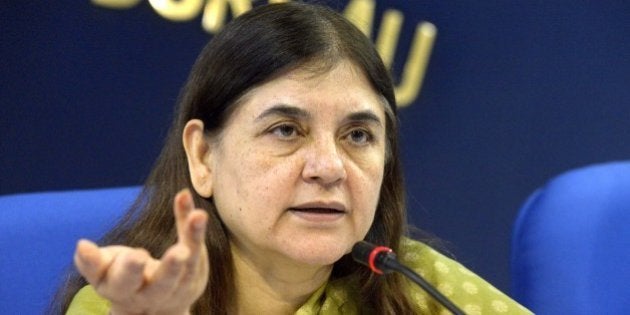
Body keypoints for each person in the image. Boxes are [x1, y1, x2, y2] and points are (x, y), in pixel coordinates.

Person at [53, 2, 532, 314]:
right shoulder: (129, 305)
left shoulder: (419, 289)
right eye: (286, 130)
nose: (328, 167)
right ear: (202, 156)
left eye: (358, 135)